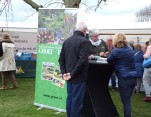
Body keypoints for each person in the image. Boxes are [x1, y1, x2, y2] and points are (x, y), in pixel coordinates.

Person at [58, 21, 90, 117]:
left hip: (69, 76)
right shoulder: (84, 41)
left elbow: (61, 59)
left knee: (70, 99)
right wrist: (70, 74)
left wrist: (65, 73)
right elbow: (82, 61)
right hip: (77, 77)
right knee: (76, 101)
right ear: (84, 30)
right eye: (86, 31)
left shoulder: (67, 41)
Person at [107, 33, 137, 117]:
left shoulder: (116, 50)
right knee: (128, 100)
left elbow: (109, 60)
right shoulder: (130, 48)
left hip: (124, 78)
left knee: (126, 102)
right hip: (133, 77)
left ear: (115, 40)